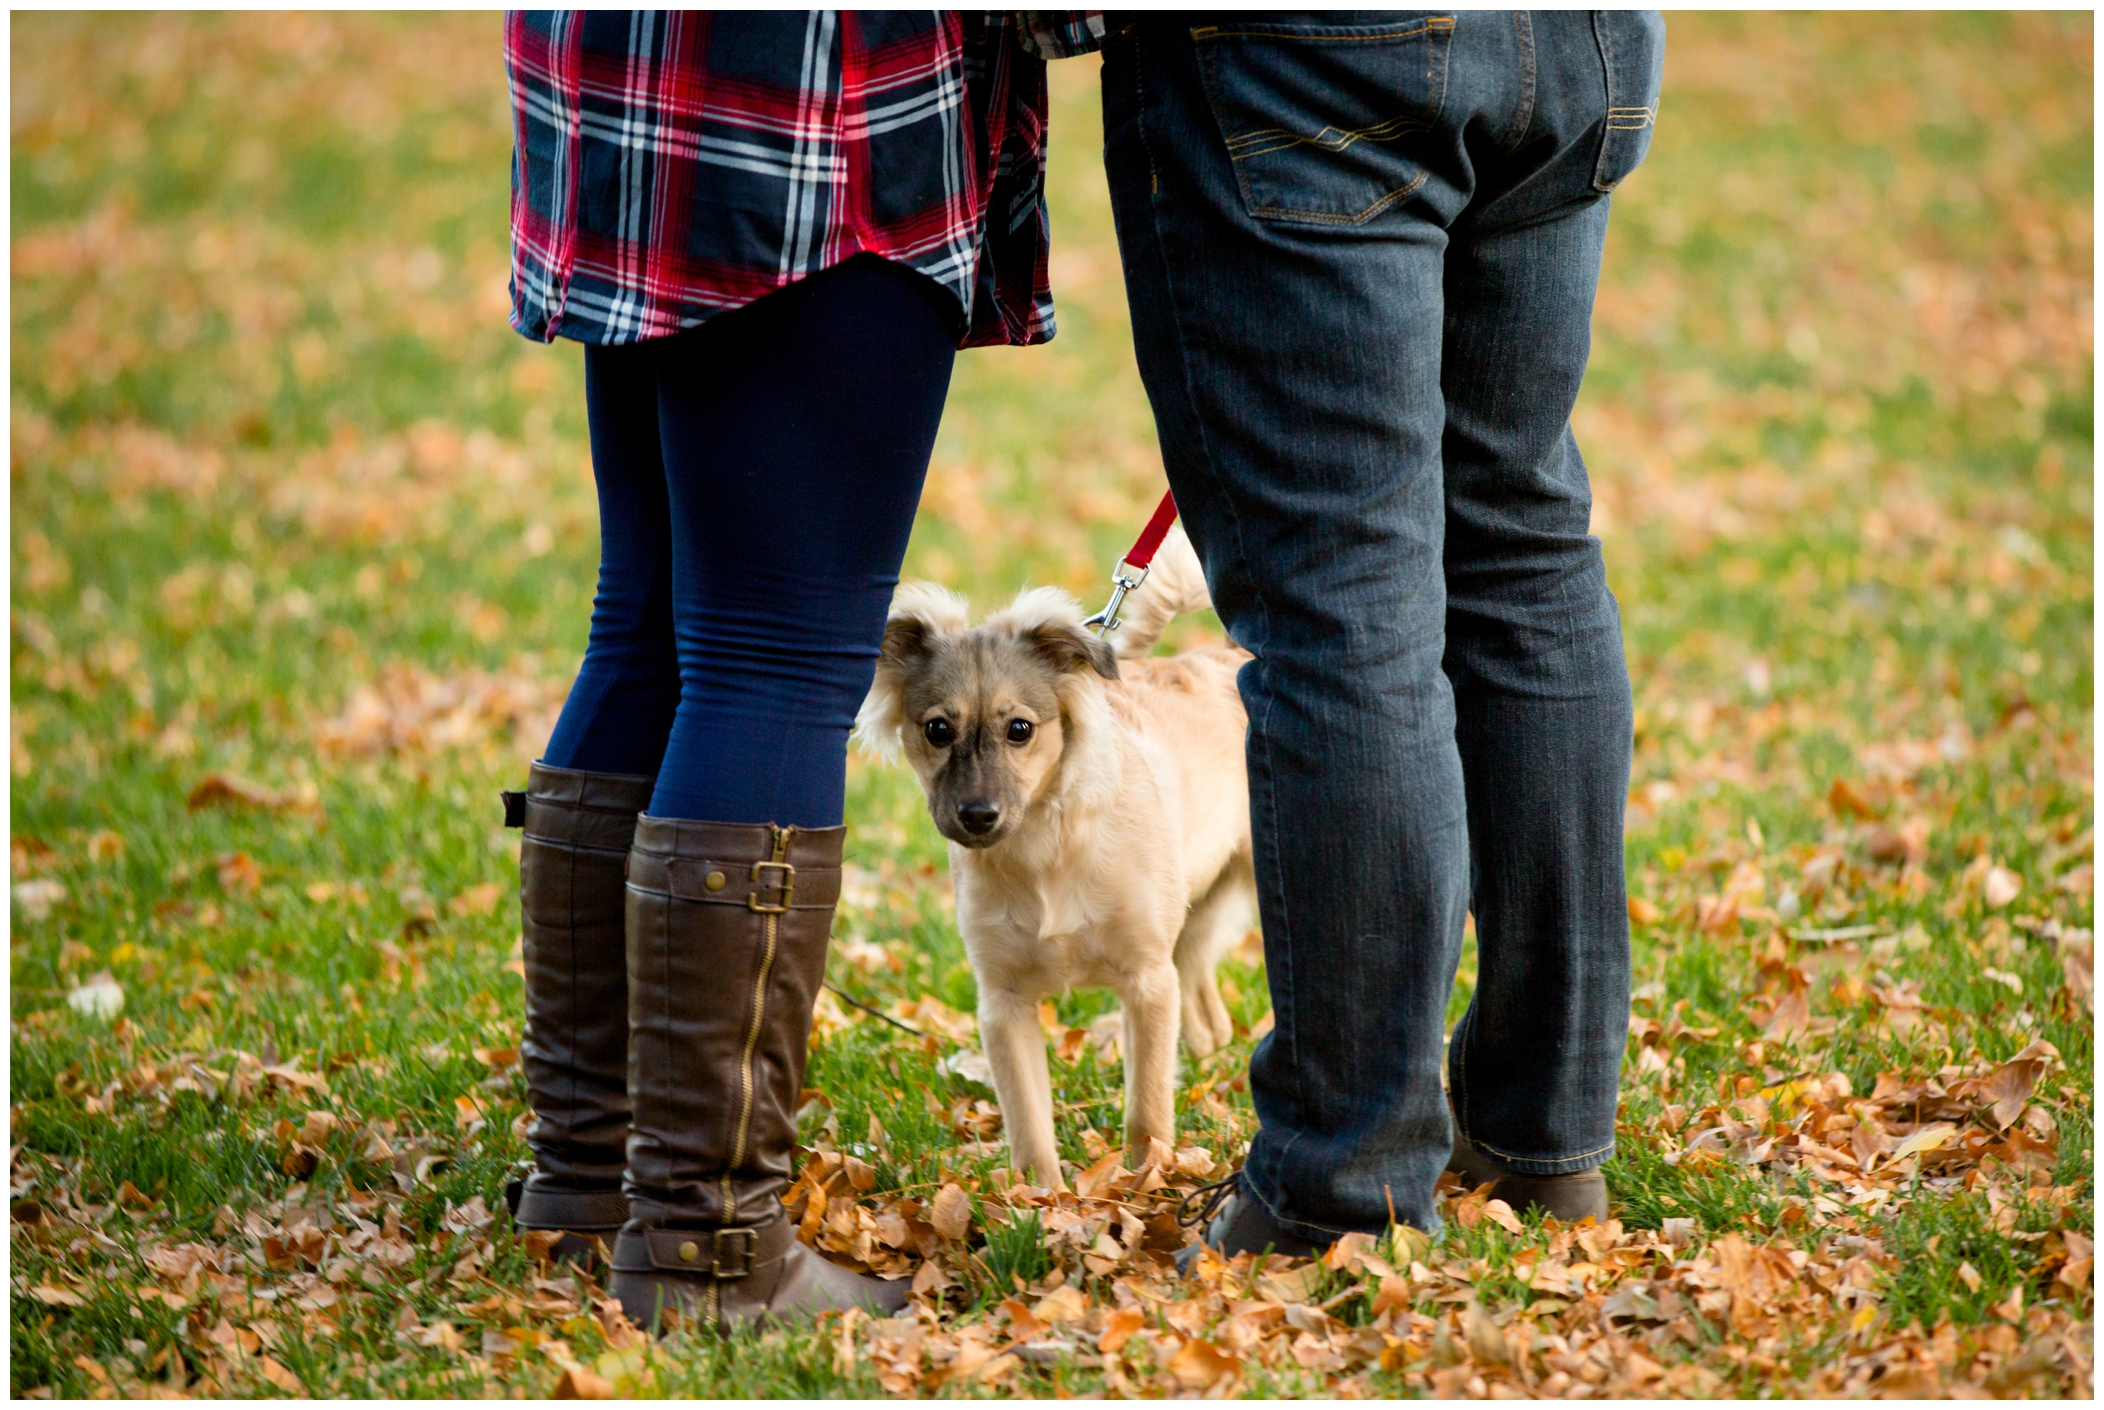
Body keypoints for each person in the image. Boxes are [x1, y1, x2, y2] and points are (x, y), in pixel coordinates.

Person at [1040, 11, 1665, 1252]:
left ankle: (1347, 1179)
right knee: (1521, 540)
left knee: (1344, 595)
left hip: (1309, 56)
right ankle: (1543, 1133)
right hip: (1575, 39)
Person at [498, 11, 1055, 1332]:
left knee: (649, 620)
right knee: (774, 655)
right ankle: (706, 1241)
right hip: (818, 110)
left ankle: (596, 1183)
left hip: (635, 85)